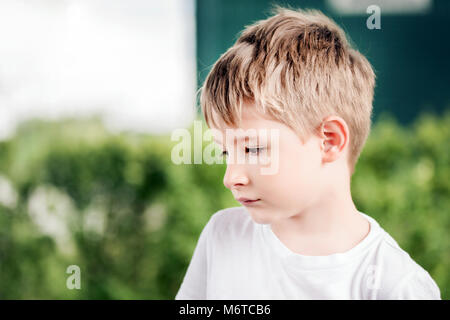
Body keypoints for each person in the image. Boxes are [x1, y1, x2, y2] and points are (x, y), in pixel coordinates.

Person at [175, 6, 441, 299]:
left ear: (329, 141)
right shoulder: (222, 237)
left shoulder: (397, 286)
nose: (231, 177)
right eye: (226, 152)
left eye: (253, 148)